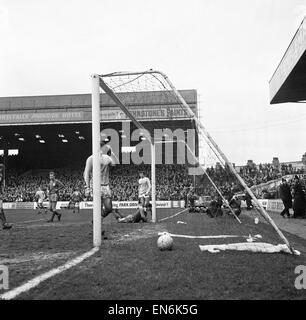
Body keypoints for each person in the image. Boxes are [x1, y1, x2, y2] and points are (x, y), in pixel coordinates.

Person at [83, 138, 120, 239]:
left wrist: (112, 153)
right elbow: (86, 173)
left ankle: (96, 221)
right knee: (98, 208)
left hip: (106, 186)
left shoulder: (107, 158)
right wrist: (87, 187)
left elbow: (115, 163)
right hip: (95, 186)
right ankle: (98, 230)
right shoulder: (90, 159)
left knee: (108, 208)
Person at [0, 164, 12, 230]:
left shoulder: (1, 175)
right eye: (1, 168)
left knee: (1, 209)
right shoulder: (1, 175)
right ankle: (4, 224)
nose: (2, 170)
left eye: (3, 169)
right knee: (0, 209)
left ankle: (4, 224)